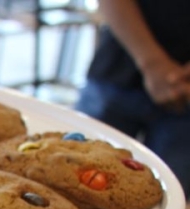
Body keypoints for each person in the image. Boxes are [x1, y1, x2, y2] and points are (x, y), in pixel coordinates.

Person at [74, 0, 190, 198]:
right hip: (117, 70)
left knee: (168, 201)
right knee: (72, 172)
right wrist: (153, 64)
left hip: (183, 100)